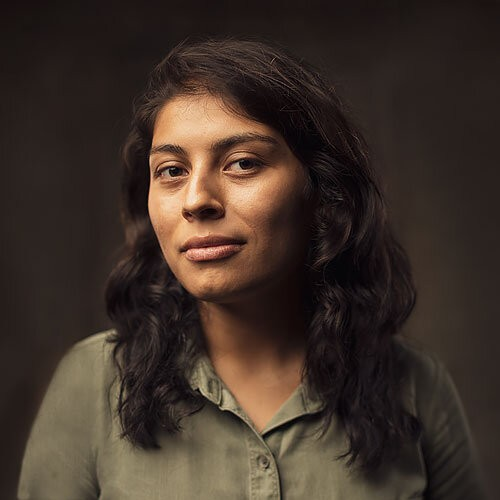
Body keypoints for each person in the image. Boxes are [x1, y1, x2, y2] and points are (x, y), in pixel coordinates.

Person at [18, 38, 487, 500]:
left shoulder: (416, 387)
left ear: (322, 191)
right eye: (172, 171)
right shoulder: (93, 382)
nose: (197, 200)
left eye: (242, 163)